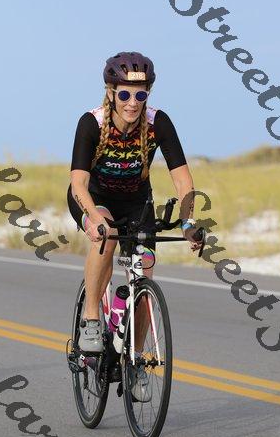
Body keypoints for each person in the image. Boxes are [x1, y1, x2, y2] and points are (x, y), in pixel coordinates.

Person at [67, 51, 201, 400]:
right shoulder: (92, 123)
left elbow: (183, 180)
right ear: (111, 92)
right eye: (125, 93)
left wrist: (189, 221)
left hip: (137, 202)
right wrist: (94, 217)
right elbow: (78, 183)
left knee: (144, 273)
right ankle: (92, 319)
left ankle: (136, 359)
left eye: (140, 94)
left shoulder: (158, 123)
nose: (132, 102)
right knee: (107, 234)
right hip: (93, 197)